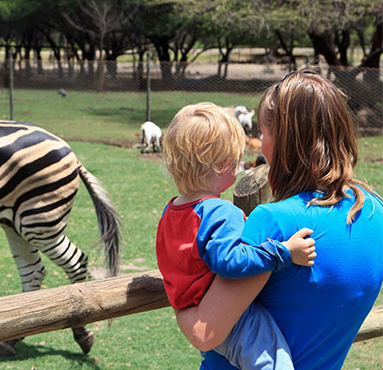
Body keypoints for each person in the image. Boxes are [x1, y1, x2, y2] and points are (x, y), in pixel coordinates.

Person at [173, 69, 383, 370]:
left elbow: (204, 332)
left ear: (285, 141)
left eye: (264, 132)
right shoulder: (375, 213)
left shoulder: (273, 222)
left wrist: (177, 296)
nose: (262, 143)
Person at [156, 102, 316, 369]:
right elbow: (230, 262)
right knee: (276, 363)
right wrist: (286, 252)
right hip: (232, 321)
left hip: (196, 312)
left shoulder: (172, 210)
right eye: (236, 159)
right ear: (222, 166)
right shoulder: (220, 212)